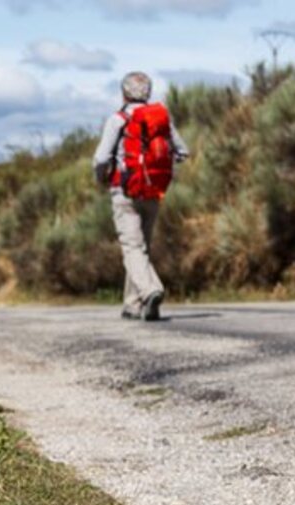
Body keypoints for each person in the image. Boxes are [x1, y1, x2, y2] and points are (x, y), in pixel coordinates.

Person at [93, 71, 189, 322]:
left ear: (124, 93)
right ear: (148, 92)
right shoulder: (161, 119)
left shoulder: (118, 120)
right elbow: (182, 151)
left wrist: (101, 177)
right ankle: (132, 305)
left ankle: (150, 290)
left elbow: (101, 158)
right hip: (153, 191)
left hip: (124, 191)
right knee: (141, 248)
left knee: (132, 248)